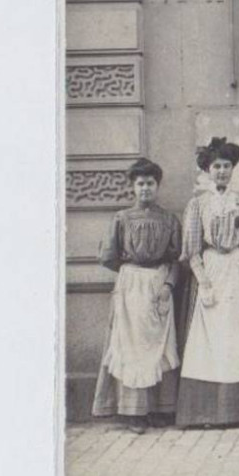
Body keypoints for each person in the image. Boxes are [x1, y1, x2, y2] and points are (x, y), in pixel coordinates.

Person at [176, 137, 239, 428]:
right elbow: (191, 248)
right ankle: (205, 413)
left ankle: (234, 412)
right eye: (217, 166)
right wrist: (204, 283)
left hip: (237, 269)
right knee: (209, 339)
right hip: (212, 268)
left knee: (237, 337)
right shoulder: (199, 203)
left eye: (227, 165)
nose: (222, 171)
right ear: (207, 170)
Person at [91, 158, 181, 433]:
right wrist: (131, 273)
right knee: (130, 344)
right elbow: (108, 256)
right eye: (140, 184)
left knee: (159, 343)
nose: (145, 189)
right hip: (131, 285)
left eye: (150, 183)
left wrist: (167, 285)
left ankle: (159, 409)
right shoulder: (121, 218)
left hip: (158, 283)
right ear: (133, 187)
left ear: (157, 186)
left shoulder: (168, 219)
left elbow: (177, 258)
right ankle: (133, 412)